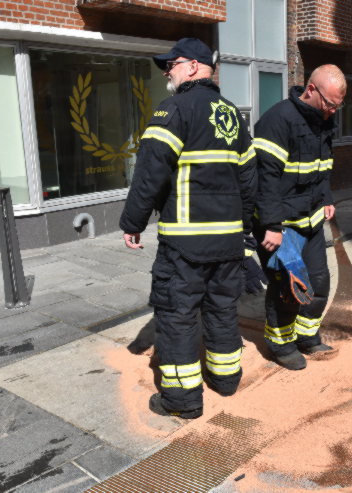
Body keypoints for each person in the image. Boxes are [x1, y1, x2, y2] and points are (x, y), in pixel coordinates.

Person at [119, 38, 259, 419]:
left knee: (178, 316)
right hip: (229, 242)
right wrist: (244, 228)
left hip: (186, 244)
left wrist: (133, 222)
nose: (168, 72)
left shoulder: (174, 110)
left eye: (172, 64)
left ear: (194, 67)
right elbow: (249, 180)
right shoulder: (232, 115)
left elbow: (151, 172)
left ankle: (181, 400)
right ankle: (226, 379)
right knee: (221, 309)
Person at [252, 65, 346, 370]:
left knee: (319, 281)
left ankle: (307, 337)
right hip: (282, 224)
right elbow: (265, 179)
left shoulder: (322, 121)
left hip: (311, 218)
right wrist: (272, 226)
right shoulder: (278, 120)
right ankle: (280, 345)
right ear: (311, 90)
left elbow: (322, 169)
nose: (333, 112)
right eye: (330, 104)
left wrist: (327, 199)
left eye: (338, 106)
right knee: (287, 288)